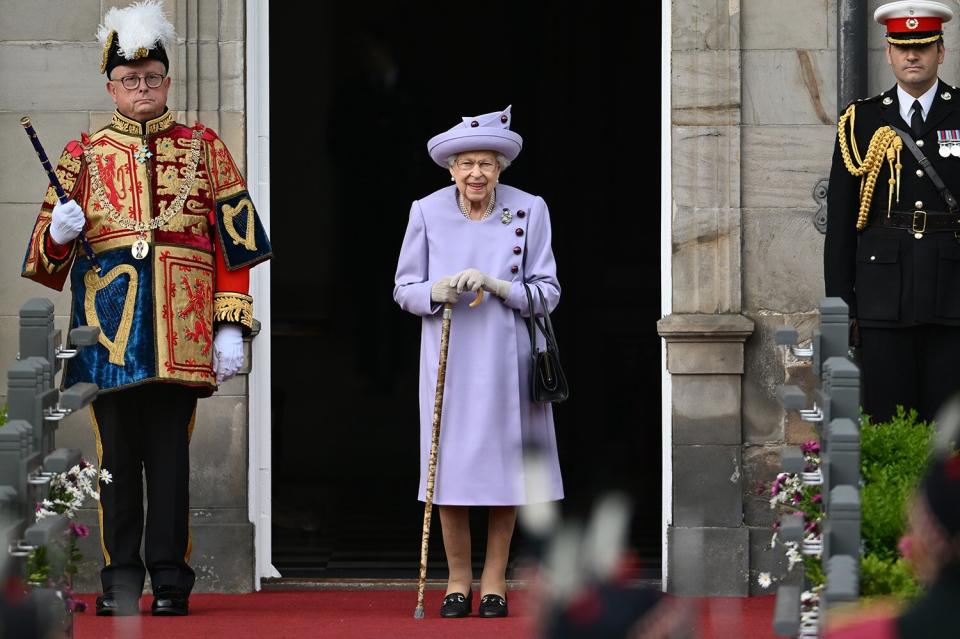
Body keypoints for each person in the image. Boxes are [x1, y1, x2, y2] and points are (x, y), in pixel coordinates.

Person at [20, 1, 271, 617]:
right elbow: (45, 262)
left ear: (167, 81)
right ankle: (122, 580)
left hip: (182, 332)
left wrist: (231, 323)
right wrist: (60, 232)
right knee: (116, 466)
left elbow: (233, 243)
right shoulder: (80, 155)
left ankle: (170, 581)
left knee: (171, 464)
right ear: (111, 86)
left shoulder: (204, 147)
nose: (142, 88)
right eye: (130, 80)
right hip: (107, 334)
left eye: (152, 78)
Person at [393, 105, 564, 618]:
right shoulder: (426, 211)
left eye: (486, 163)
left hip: (507, 358)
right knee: (449, 469)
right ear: (450, 168)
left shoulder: (530, 209)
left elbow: (548, 292)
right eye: (466, 163)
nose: (476, 174)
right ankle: (457, 577)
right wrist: (434, 290)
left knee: (503, 468)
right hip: (448, 361)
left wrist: (498, 286)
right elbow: (402, 289)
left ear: (500, 167)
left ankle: (495, 577)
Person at [824, 0, 960, 424]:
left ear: (941, 50)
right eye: (903, 47)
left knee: (949, 435)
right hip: (883, 297)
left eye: (922, 45)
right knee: (886, 422)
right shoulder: (860, 121)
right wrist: (840, 308)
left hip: (953, 294)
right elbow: (843, 222)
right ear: (888, 53)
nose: (912, 55)